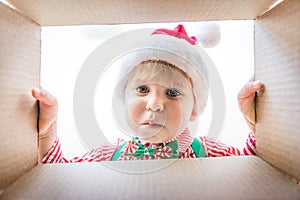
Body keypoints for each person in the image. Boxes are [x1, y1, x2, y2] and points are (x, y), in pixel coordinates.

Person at [32, 24, 263, 163]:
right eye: (143, 89)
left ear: (194, 108)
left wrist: (257, 125)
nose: (154, 104)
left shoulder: (209, 151)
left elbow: (256, 174)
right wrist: (46, 133)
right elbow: (59, 183)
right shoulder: (106, 156)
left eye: (172, 92)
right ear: (125, 98)